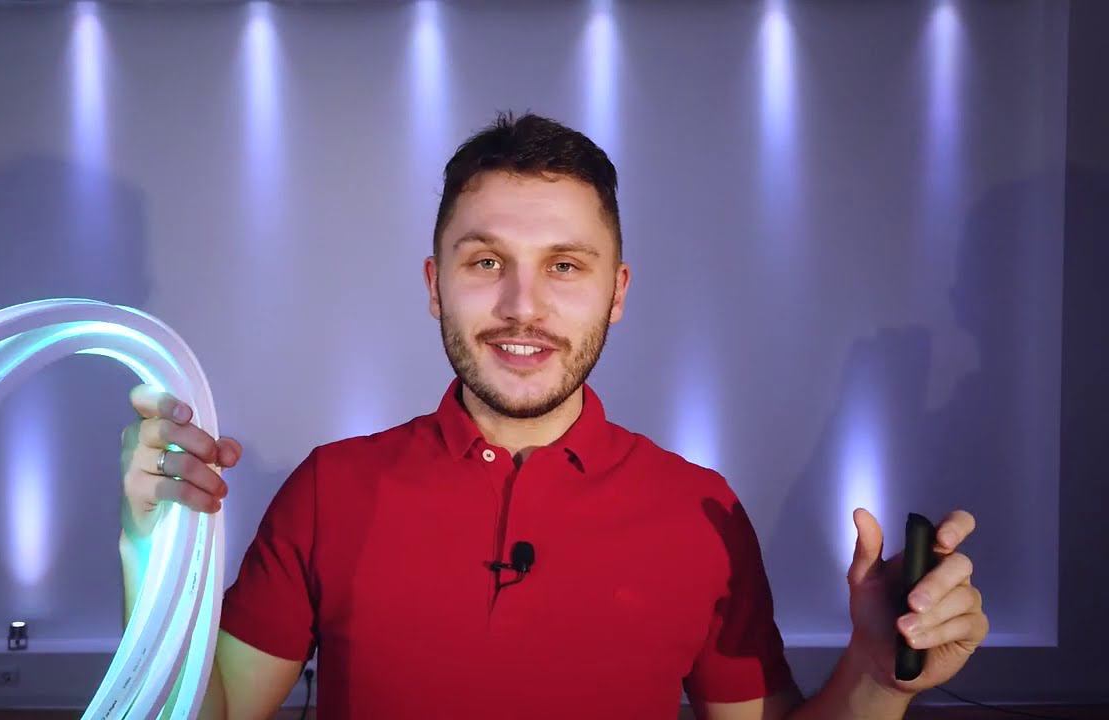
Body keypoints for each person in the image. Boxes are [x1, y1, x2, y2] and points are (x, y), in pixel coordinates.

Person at [117, 113, 989, 719]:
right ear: (435, 286)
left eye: (565, 266)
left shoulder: (701, 512)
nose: (522, 307)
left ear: (617, 292)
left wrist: (879, 678)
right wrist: (149, 554)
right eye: (485, 262)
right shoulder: (328, 491)